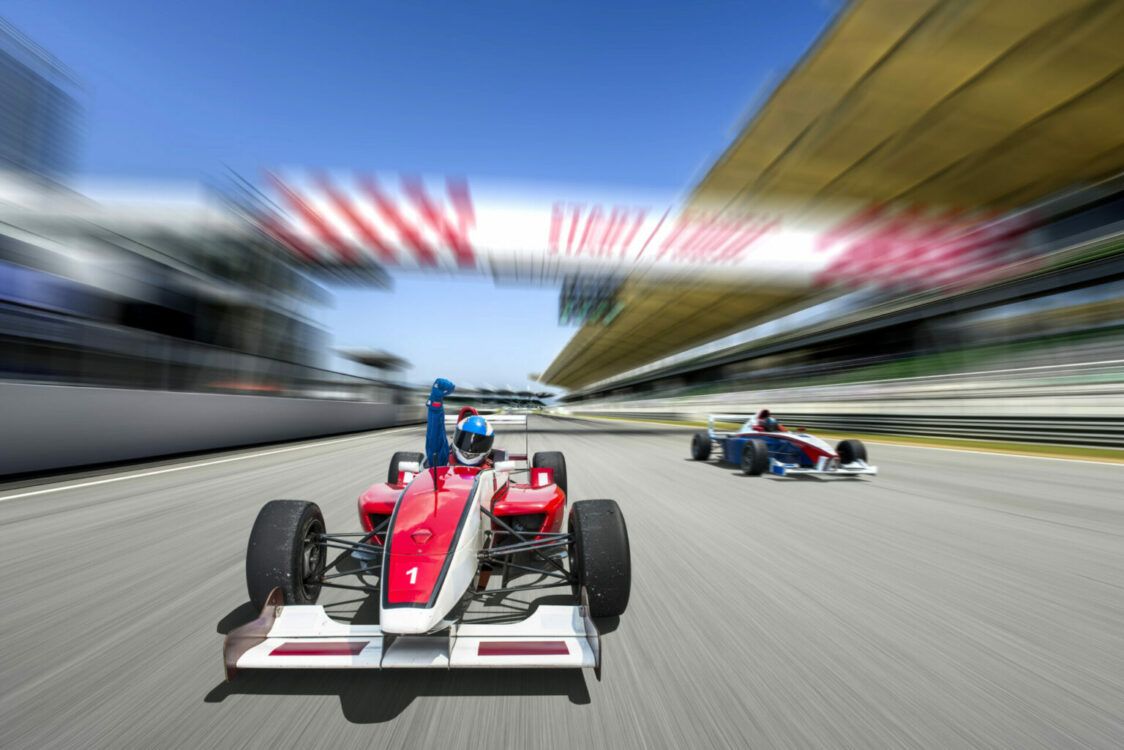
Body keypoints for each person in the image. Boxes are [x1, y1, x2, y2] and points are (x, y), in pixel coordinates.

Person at [424, 378, 495, 467]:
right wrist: (435, 402)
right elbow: (435, 434)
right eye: (465, 440)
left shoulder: (493, 468)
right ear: (455, 437)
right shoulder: (444, 461)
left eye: (478, 443)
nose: (469, 450)